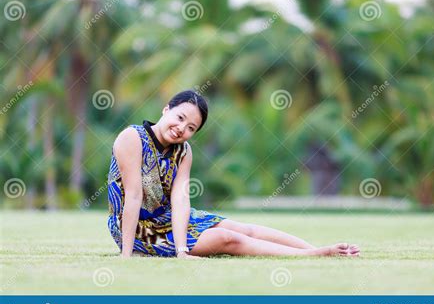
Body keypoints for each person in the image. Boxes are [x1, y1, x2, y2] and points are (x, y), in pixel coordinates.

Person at [107, 90, 360, 259]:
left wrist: (182, 248)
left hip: (169, 220)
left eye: (191, 127)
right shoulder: (133, 138)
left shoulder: (183, 151)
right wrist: (126, 255)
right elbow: (133, 196)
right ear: (166, 110)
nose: (181, 128)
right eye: (180, 117)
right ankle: (312, 256)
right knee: (227, 239)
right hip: (138, 229)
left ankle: (318, 250)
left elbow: (181, 199)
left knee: (242, 228)